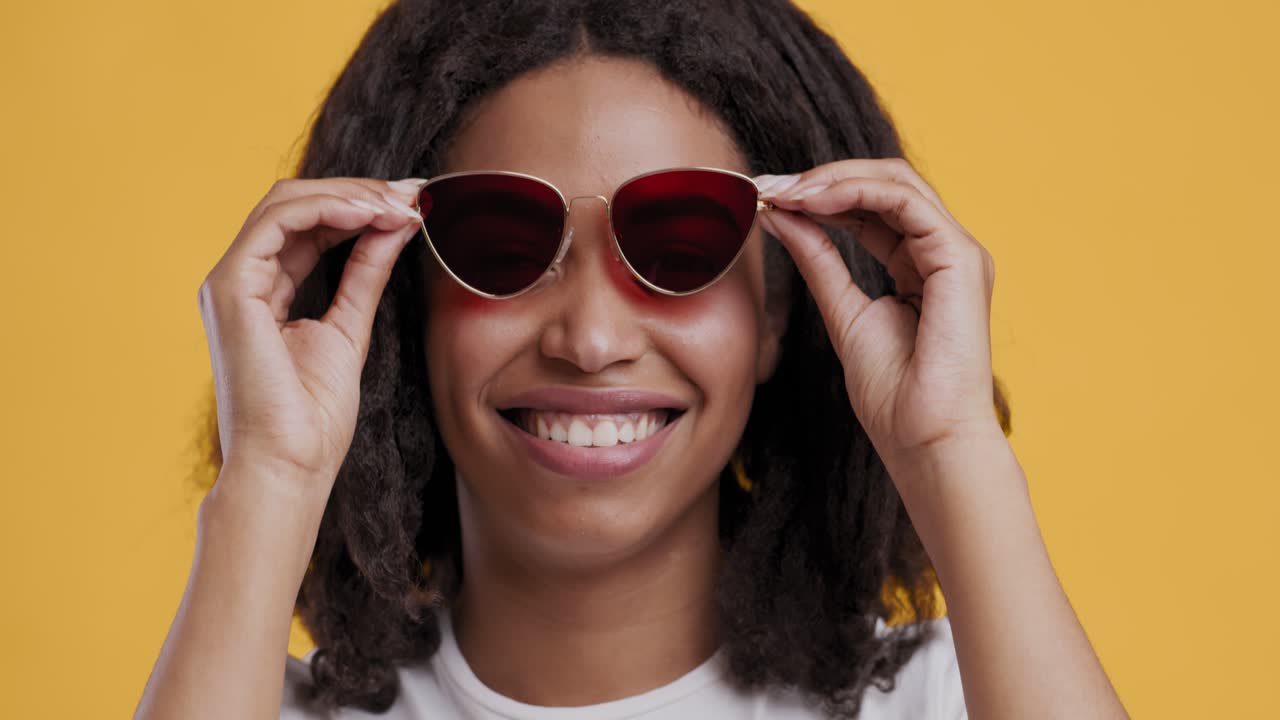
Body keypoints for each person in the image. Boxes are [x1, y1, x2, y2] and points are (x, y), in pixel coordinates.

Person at [136, 1, 1128, 718]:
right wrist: (268, 473)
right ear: (404, 306)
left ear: (782, 309)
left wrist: (949, 446)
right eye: (501, 248)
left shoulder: (948, 699)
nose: (591, 338)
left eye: (680, 249)